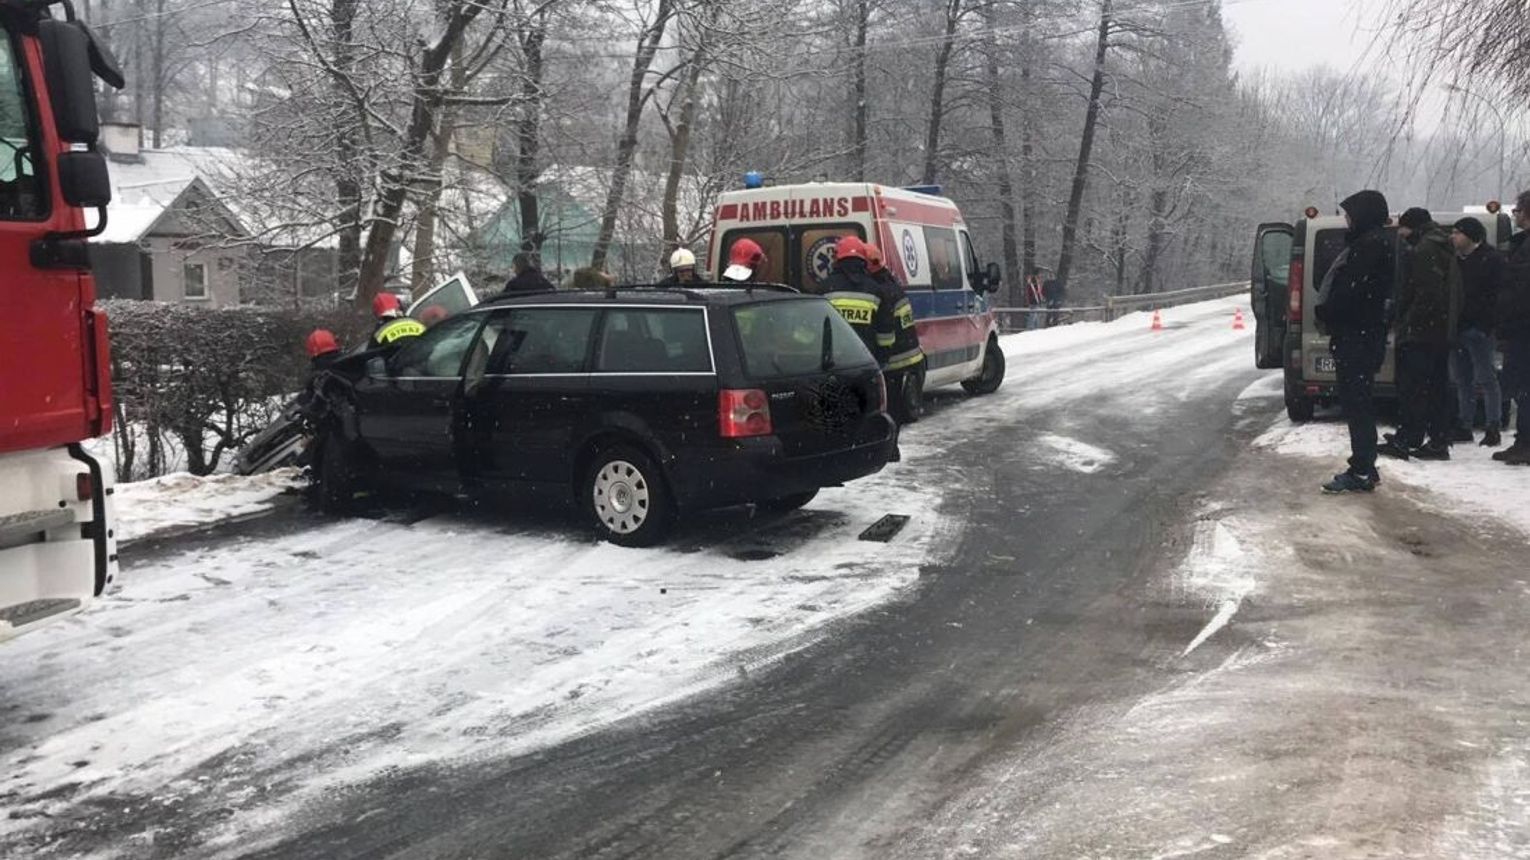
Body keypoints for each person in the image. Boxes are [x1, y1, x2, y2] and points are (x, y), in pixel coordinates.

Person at [1313, 190, 1393, 493]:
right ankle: (1364, 466)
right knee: (1358, 402)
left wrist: (1328, 311)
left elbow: (1352, 293)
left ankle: (1361, 469)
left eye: (1349, 215)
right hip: (1361, 335)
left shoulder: (1369, 246)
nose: (1346, 220)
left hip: (1357, 337)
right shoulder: (1373, 243)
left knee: (1357, 403)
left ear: (1363, 215)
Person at [1379, 207, 1463, 462]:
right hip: (1438, 331)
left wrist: (1406, 321)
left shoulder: (1424, 250)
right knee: (1436, 387)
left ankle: (1409, 438)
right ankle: (1436, 438)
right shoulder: (1442, 245)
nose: (1400, 234)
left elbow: (1426, 293)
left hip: (1421, 333)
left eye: (1402, 229)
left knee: (1413, 387)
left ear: (1411, 227)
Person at [823, 236, 925, 422]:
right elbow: (885, 334)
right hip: (885, 365)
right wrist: (880, 358)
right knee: (884, 418)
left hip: (839, 367)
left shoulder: (824, 289)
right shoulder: (884, 289)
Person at [1448, 217, 1505, 447]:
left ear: (1471, 236)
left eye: (1457, 233)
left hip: (1480, 328)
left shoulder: (1491, 260)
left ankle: (1493, 425)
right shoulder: (1456, 261)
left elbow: (1498, 295)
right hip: (1459, 328)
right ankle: (1465, 424)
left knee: (1486, 378)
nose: (1453, 237)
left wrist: (1486, 324)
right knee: (1463, 379)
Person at [1496, 190, 1530, 466]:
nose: (1515, 214)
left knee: (1524, 388)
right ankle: (1522, 440)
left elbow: (1519, 288)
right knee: (1521, 388)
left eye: (1518, 210)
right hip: (1519, 327)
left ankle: (1526, 443)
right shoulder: (1521, 243)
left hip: (1523, 328)